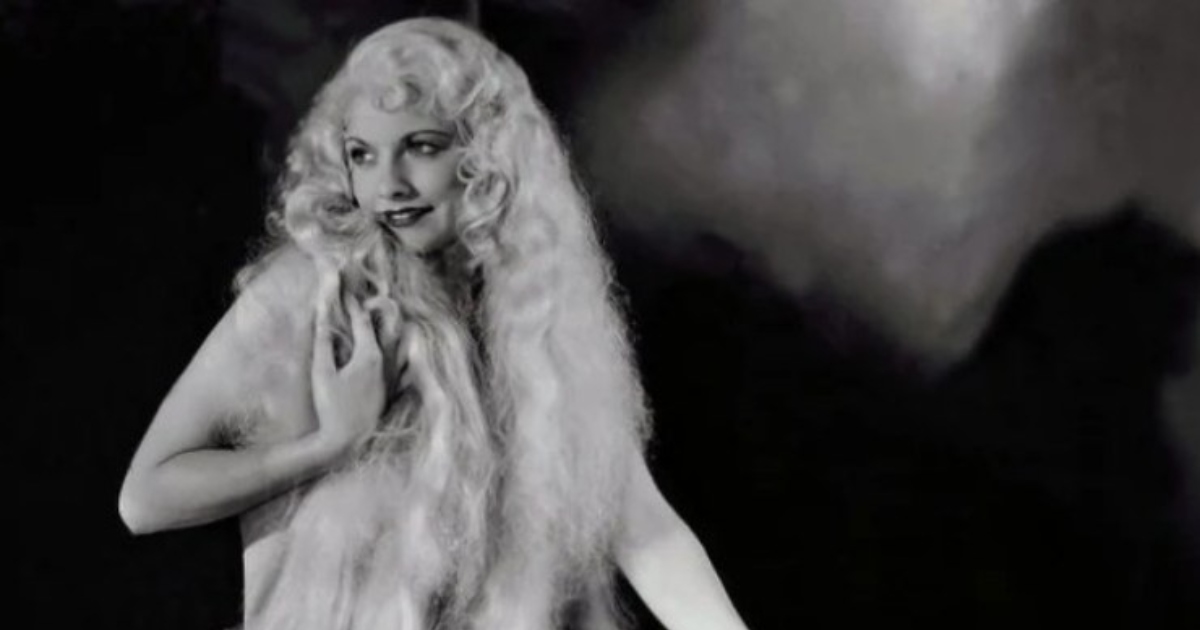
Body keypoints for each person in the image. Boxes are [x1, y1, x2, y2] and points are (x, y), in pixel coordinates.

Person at [119, 17, 750, 630]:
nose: (388, 185)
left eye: (421, 147)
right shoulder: (313, 293)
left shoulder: (534, 309)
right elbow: (145, 499)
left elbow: (642, 529)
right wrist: (327, 446)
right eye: (362, 155)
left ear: (488, 153)